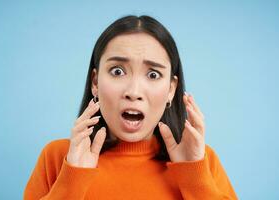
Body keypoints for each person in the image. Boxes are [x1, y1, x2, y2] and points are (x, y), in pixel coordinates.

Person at [24, 15, 238, 200]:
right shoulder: (57, 157)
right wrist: (73, 177)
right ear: (95, 82)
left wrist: (194, 176)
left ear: (171, 89)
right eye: (117, 71)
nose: (134, 91)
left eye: (153, 74)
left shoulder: (201, 161)